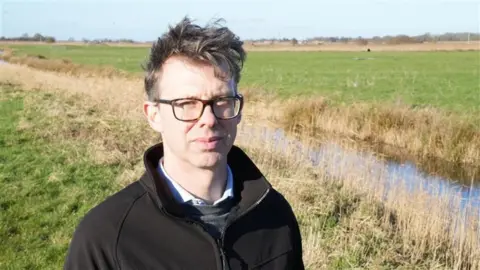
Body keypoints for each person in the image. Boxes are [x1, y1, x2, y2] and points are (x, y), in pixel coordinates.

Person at [64, 17, 304, 270]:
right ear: (153, 115)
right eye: (186, 104)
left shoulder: (274, 214)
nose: (209, 120)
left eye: (222, 100)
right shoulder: (107, 236)